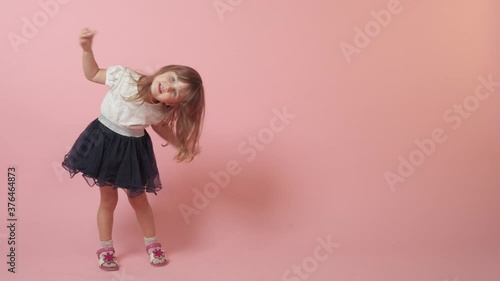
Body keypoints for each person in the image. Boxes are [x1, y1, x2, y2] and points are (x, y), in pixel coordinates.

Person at [61, 28, 205, 271]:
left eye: (175, 92)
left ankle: (152, 243)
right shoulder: (124, 77)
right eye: (171, 79)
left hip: (132, 151)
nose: (169, 88)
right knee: (108, 199)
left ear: (174, 104)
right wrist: (87, 50)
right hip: (104, 142)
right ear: (164, 70)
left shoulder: (159, 111)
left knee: (139, 200)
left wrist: (182, 144)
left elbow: (162, 130)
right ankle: (106, 248)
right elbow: (93, 73)